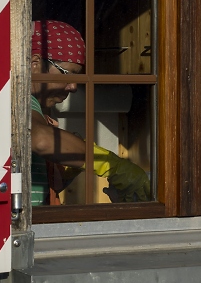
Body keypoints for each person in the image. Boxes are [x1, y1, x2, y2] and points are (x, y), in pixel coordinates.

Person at [30, 19, 151, 205]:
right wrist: (111, 164)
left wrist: (63, 168)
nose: (73, 86)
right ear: (35, 63)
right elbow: (39, 138)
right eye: (68, 74)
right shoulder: (18, 101)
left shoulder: (36, 112)